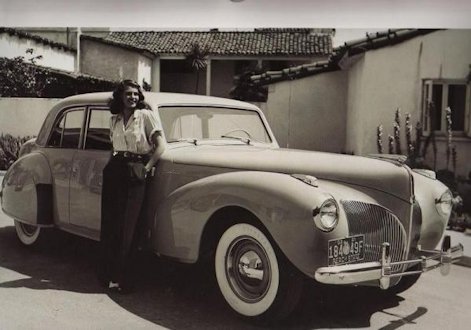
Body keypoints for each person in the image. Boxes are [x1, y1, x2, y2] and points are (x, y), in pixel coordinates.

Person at [98, 79, 165, 293]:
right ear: (120, 96)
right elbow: (113, 147)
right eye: (128, 94)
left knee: (130, 226)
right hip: (115, 170)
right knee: (111, 223)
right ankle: (109, 275)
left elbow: (160, 145)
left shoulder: (145, 116)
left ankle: (125, 279)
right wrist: (109, 168)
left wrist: (146, 168)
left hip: (135, 168)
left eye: (136, 94)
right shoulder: (114, 119)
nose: (133, 97)